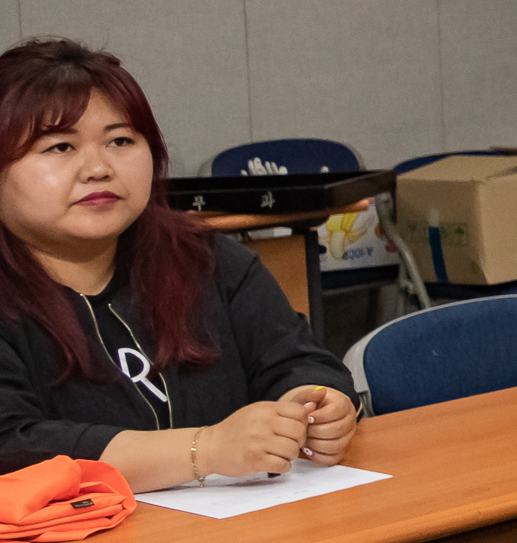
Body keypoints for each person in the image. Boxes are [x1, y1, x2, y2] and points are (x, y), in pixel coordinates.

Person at [0, 38, 357, 484]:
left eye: (120, 140)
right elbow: (11, 444)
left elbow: (298, 361)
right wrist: (203, 451)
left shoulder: (204, 258)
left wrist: (319, 406)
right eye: (59, 147)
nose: (98, 168)